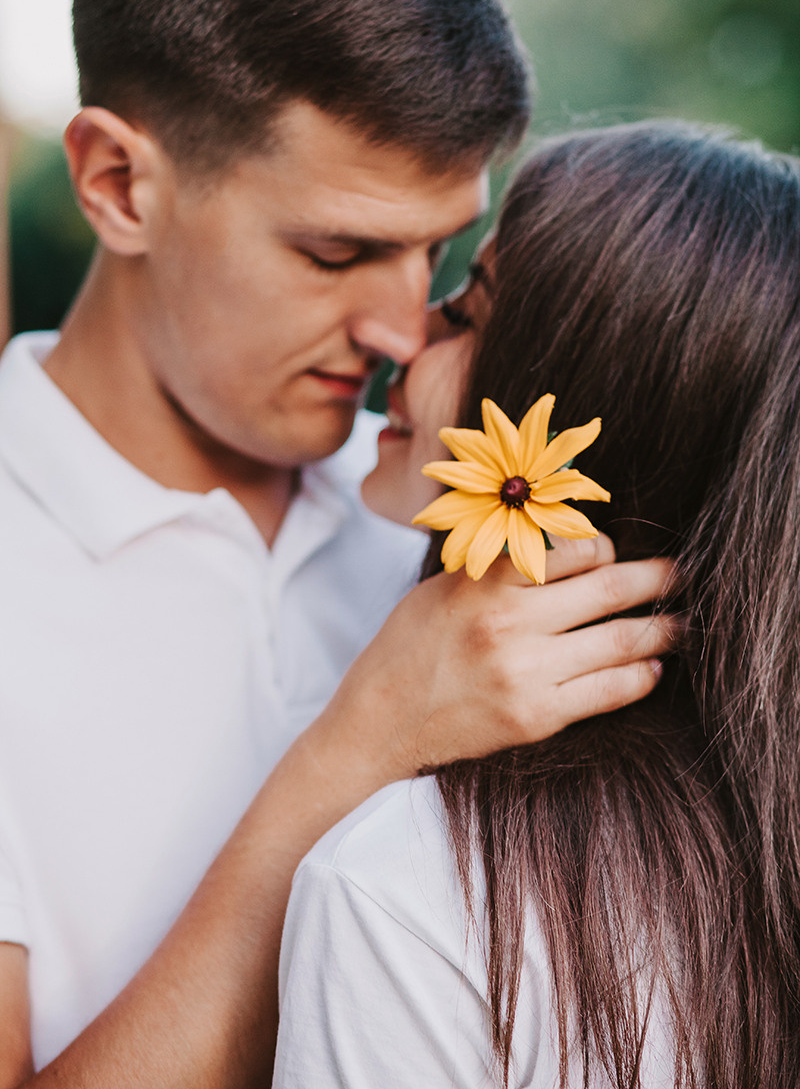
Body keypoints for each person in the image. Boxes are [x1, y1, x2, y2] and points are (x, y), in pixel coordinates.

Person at [0, 0, 673, 1084]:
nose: (403, 331)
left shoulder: (460, 518)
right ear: (116, 183)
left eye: (438, 253)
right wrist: (357, 745)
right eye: (335, 252)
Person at [276, 121, 800, 1088]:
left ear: (564, 402)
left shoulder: (405, 893)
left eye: (468, 311)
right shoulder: (763, 850)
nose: (405, 334)